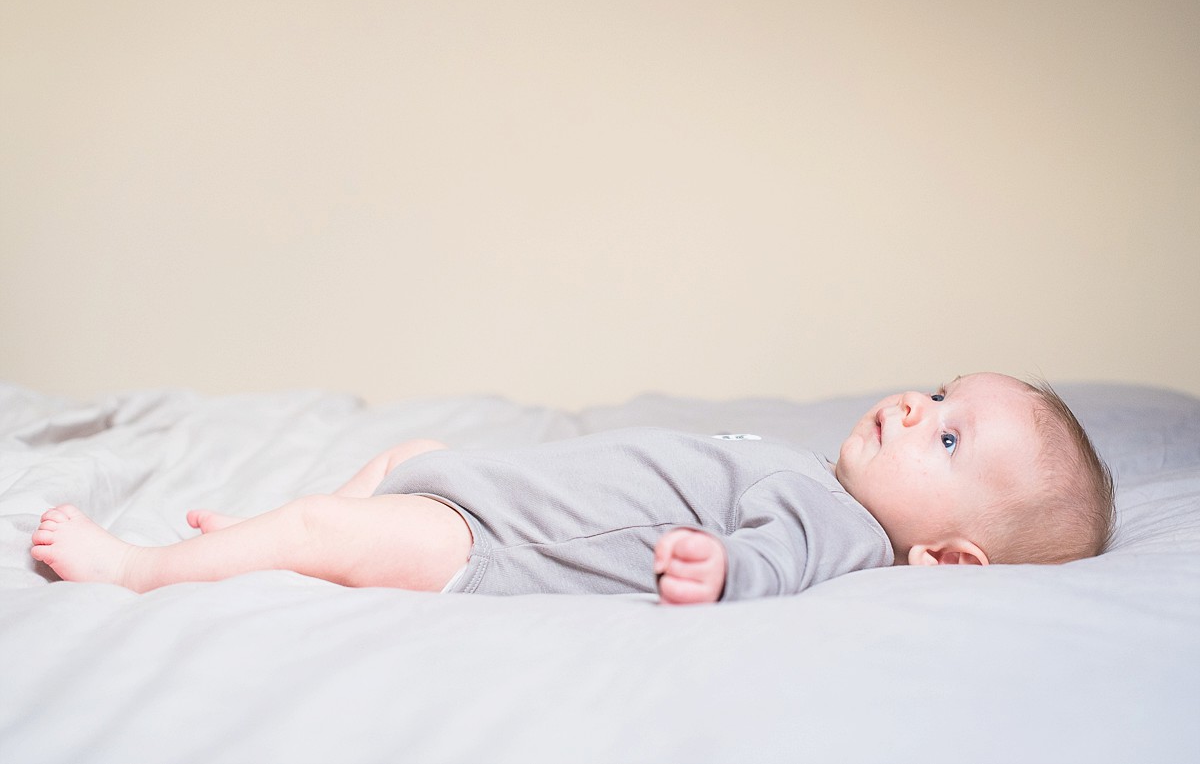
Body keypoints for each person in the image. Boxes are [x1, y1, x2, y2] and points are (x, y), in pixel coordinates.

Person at [29, 372, 1115, 603]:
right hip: (484, 490)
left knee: (335, 525)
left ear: (951, 557)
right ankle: (283, 537)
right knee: (395, 462)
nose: (916, 412)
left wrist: (725, 569)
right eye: (936, 396)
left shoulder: (833, 523)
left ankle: (139, 568)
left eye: (952, 442)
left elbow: (783, 565)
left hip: (490, 547)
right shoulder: (810, 472)